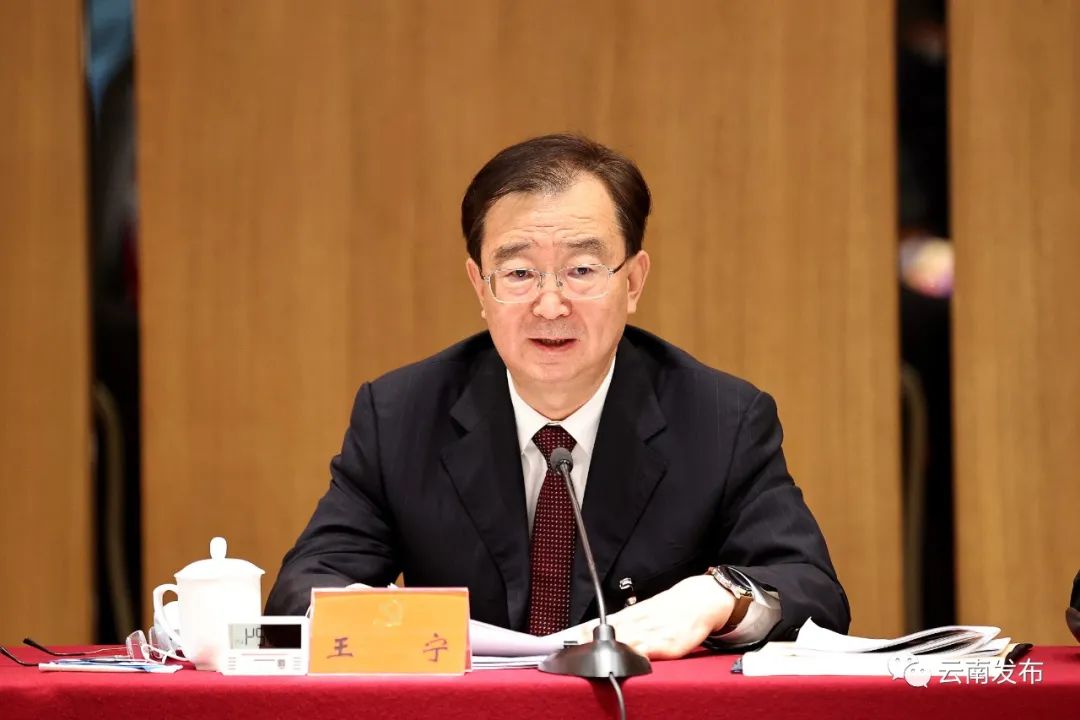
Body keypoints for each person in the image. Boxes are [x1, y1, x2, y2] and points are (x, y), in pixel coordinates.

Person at [266, 134, 849, 658]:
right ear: (480, 287)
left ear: (633, 281)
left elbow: (814, 595)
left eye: (582, 270)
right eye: (519, 274)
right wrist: (394, 621)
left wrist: (719, 597)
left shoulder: (720, 419)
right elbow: (302, 591)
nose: (550, 306)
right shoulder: (401, 416)